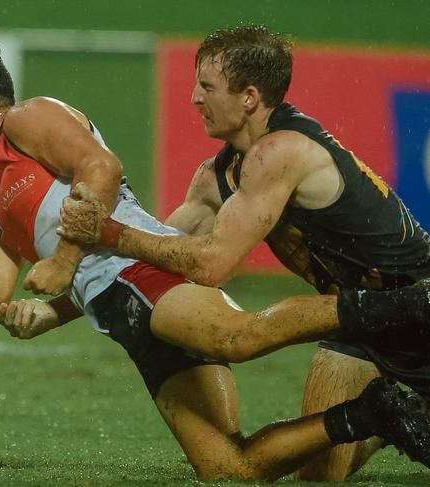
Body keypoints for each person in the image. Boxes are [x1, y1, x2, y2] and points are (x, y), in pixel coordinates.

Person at [0, 42, 430, 481]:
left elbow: (104, 171)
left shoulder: (28, 119)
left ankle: (396, 304)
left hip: (141, 277)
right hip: (125, 319)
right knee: (228, 467)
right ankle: (371, 413)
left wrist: (63, 260)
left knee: (236, 338)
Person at [56, 25, 430, 480]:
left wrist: (108, 230)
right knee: (316, 477)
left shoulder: (282, 152)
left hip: (418, 306)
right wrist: (58, 309)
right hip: (358, 321)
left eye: (207, 87)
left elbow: (211, 265)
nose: (194, 98)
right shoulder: (216, 177)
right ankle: (391, 417)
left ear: (249, 97)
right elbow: (145, 260)